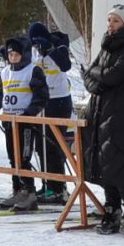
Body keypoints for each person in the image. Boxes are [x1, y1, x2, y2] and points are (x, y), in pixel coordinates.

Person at [82, 3, 124, 236]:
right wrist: (96, 77)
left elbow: (112, 76)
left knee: (122, 165)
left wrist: (95, 76)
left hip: (123, 117)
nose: (111, 25)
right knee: (104, 164)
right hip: (100, 113)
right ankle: (111, 209)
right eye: (109, 20)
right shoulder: (105, 48)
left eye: (116, 21)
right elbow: (88, 77)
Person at [0, 36, 49, 210]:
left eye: (16, 54)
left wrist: (29, 113)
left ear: (25, 54)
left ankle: (30, 194)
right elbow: (2, 95)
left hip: (25, 123)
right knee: (13, 158)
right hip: (9, 121)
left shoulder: (32, 70)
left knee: (24, 158)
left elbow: (41, 96)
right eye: (10, 54)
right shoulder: (5, 72)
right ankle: (18, 190)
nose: (13, 57)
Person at [28, 21, 75, 205]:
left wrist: (49, 49)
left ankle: (59, 188)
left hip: (59, 100)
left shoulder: (59, 44)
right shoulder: (34, 50)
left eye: (37, 42)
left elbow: (65, 65)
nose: (36, 46)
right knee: (41, 146)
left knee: (54, 145)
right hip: (41, 102)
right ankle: (48, 184)